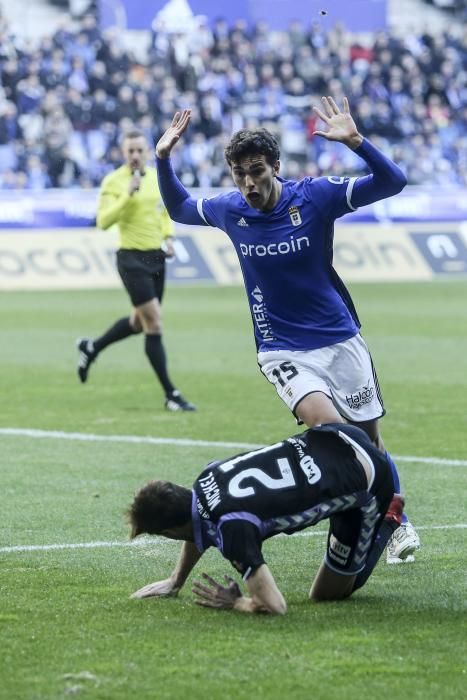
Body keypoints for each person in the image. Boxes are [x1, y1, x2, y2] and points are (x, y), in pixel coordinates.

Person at [152, 96, 419, 561]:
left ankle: (391, 519)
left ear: (275, 165)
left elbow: (392, 181)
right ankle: (353, 519)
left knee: (370, 439)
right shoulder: (229, 209)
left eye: (256, 170)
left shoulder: (314, 197)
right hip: (282, 348)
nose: (249, 183)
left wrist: (357, 142)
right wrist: (162, 159)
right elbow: (178, 208)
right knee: (335, 433)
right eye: (240, 174)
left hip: (340, 338)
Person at [129, 422, 403, 614]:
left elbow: (275, 606)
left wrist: (236, 602)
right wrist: (175, 580)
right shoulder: (206, 477)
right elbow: (200, 524)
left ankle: (388, 517)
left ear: (169, 532)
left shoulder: (233, 527)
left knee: (327, 594)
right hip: (336, 435)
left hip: (369, 480)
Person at [76, 128, 195, 412]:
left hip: (157, 258)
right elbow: (103, 221)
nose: (135, 156)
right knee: (154, 322)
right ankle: (171, 394)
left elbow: (165, 212)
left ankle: (91, 347)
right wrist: (127, 197)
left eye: (140, 150)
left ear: (146, 152)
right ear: (122, 152)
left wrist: (168, 237)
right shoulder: (113, 182)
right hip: (130, 259)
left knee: (139, 322)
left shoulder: (157, 179)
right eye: (130, 151)